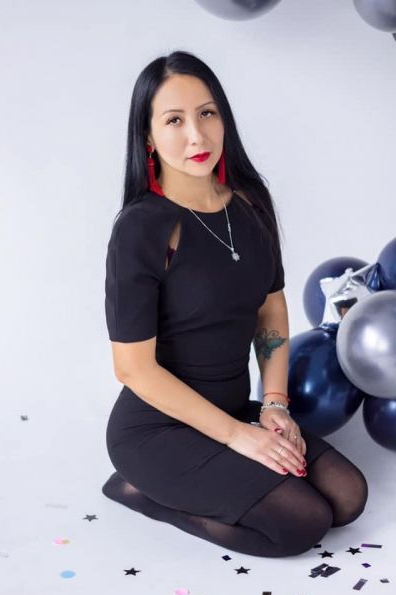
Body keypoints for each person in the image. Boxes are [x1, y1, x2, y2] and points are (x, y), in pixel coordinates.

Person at [102, 50, 368, 558]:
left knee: (347, 496)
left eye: (207, 113)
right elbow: (132, 368)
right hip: (155, 430)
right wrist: (238, 438)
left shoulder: (248, 203)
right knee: (303, 521)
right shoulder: (141, 229)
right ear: (148, 138)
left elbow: (270, 307)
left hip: (230, 408)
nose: (197, 136)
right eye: (174, 120)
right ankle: (142, 492)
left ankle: (208, 471)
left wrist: (274, 405)